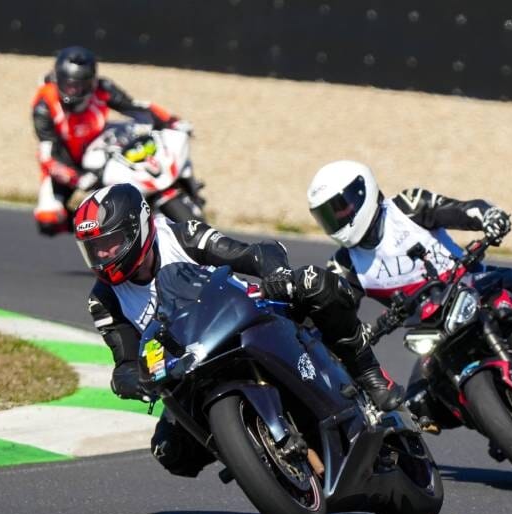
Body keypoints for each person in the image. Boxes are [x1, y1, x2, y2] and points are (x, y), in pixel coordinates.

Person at [73, 183, 403, 477]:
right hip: (190, 366)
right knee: (169, 451)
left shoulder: (180, 235)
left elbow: (254, 253)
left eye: (110, 244)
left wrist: (275, 274)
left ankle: (369, 373)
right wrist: (136, 381)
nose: (102, 258)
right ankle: (252, 453)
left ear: (138, 230)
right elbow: (125, 363)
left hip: (246, 318)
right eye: (93, 250)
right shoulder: (103, 300)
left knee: (314, 284)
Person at [307, 160, 512, 385]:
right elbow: (334, 311)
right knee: (421, 405)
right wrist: (322, 336)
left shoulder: (408, 206)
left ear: (362, 192)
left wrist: (490, 218)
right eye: (327, 216)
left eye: (341, 208)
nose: (337, 220)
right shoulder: (344, 264)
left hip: (475, 284)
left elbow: (464, 209)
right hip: (431, 330)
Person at [32, 46, 194, 236]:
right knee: (48, 220)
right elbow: (47, 154)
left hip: (99, 146)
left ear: (91, 82)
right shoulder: (44, 105)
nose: (73, 92)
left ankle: (187, 186)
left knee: (154, 136)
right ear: (57, 78)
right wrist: (77, 177)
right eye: (69, 85)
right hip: (65, 162)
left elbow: (136, 106)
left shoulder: (103, 88)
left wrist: (171, 121)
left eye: (80, 86)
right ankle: (100, 230)